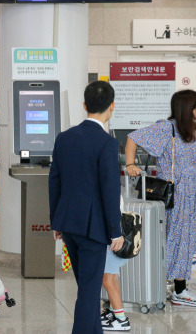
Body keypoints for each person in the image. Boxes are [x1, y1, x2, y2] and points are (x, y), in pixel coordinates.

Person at [126, 89, 196, 307]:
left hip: (191, 193)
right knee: (175, 239)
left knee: (188, 239)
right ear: (188, 107)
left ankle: (175, 287)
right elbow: (132, 138)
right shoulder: (166, 128)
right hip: (173, 195)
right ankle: (178, 290)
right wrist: (130, 164)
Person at [49, 80, 123, 334]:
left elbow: (54, 182)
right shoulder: (107, 143)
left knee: (87, 288)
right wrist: (116, 230)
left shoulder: (64, 138)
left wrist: (56, 222)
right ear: (111, 107)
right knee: (88, 295)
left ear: (84, 105)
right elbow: (110, 191)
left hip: (69, 224)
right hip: (94, 229)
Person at [100, 195, 131, 331]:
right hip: (114, 234)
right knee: (112, 278)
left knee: (107, 280)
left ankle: (121, 320)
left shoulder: (108, 187)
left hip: (111, 236)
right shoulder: (111, 186)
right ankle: (115, 313)